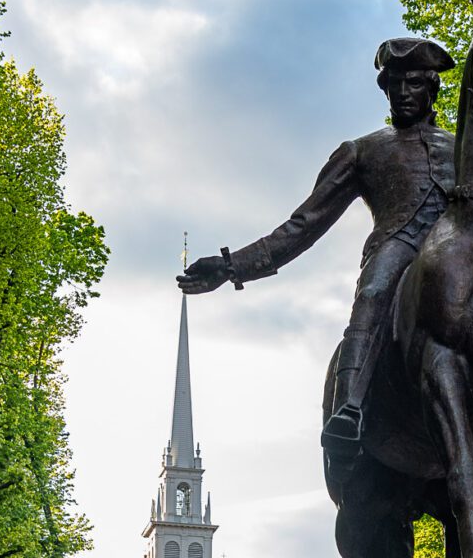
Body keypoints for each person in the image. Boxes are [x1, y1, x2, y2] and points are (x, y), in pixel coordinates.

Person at [178, 37, 456, 462]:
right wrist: (233, 266)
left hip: (456, 258)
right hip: (397, 247)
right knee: (374, 293)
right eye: (393, 85)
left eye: (413, 83)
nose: (402, 94)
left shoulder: (463, 149)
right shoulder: (361, 152)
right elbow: (303, 225)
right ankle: (349, 410)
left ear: (432, 88)